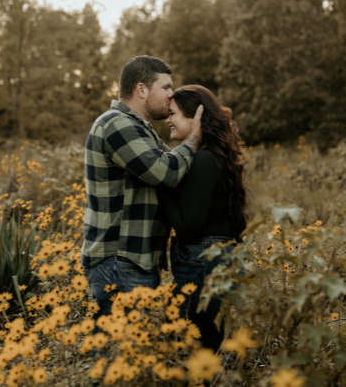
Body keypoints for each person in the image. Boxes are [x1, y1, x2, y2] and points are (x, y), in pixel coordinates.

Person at [81, 56, 203, 322]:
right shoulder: (116, 124)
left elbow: (177, 168)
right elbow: (167, 172)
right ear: (141, 90)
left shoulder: (139, 128)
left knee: (129, 355)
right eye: (166, 87)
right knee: (119, 356)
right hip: (120, 260)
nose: (172, 95)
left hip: (132, 260)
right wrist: (195, 136)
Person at [158, 85, 248, 352]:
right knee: (208, 352)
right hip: (217, 261)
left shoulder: (203, 161)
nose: (167, 120)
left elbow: (188, 227)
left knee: (190, 354)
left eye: (173, 113)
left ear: (196, 118)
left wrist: (162, 185)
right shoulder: (216, 158)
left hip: (203, 264)